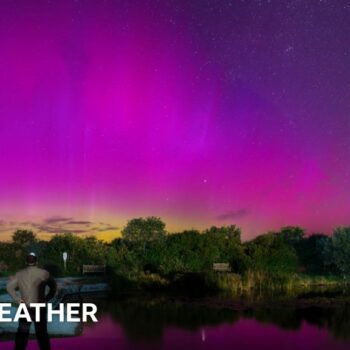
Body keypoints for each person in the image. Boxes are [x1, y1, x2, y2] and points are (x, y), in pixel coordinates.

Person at [6, 252, 57, 350]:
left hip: (25, 307)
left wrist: (17, 299)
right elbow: (53, 286)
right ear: (36, 261)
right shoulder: (44, 273)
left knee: (22, 334)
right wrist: (47, 298)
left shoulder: (19, 274)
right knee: (42, 334)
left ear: (26, 262)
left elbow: (9, 287)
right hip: (40, 308)